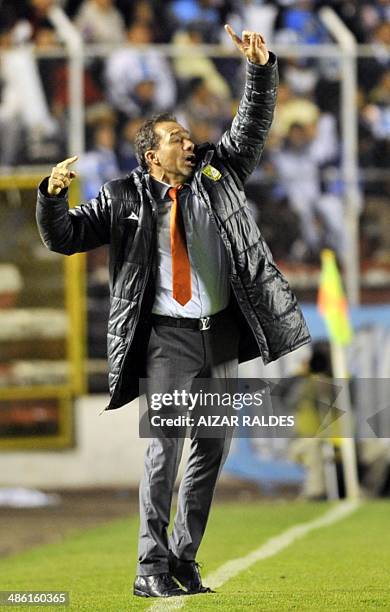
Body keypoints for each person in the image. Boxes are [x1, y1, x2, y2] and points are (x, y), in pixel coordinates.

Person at [36, 25, 311, 598]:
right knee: (165, 446)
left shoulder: (219, 173)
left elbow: (252, 125)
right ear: (150, 152)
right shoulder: (121, 196)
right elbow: (64, 237)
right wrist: (51, 195)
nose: (190, 143)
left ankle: (183, 559)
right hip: (167, 337)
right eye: (177, 138)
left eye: (190, 137)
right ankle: (149, 566)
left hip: (220, 334)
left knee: (211, 450)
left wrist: (260, 71)